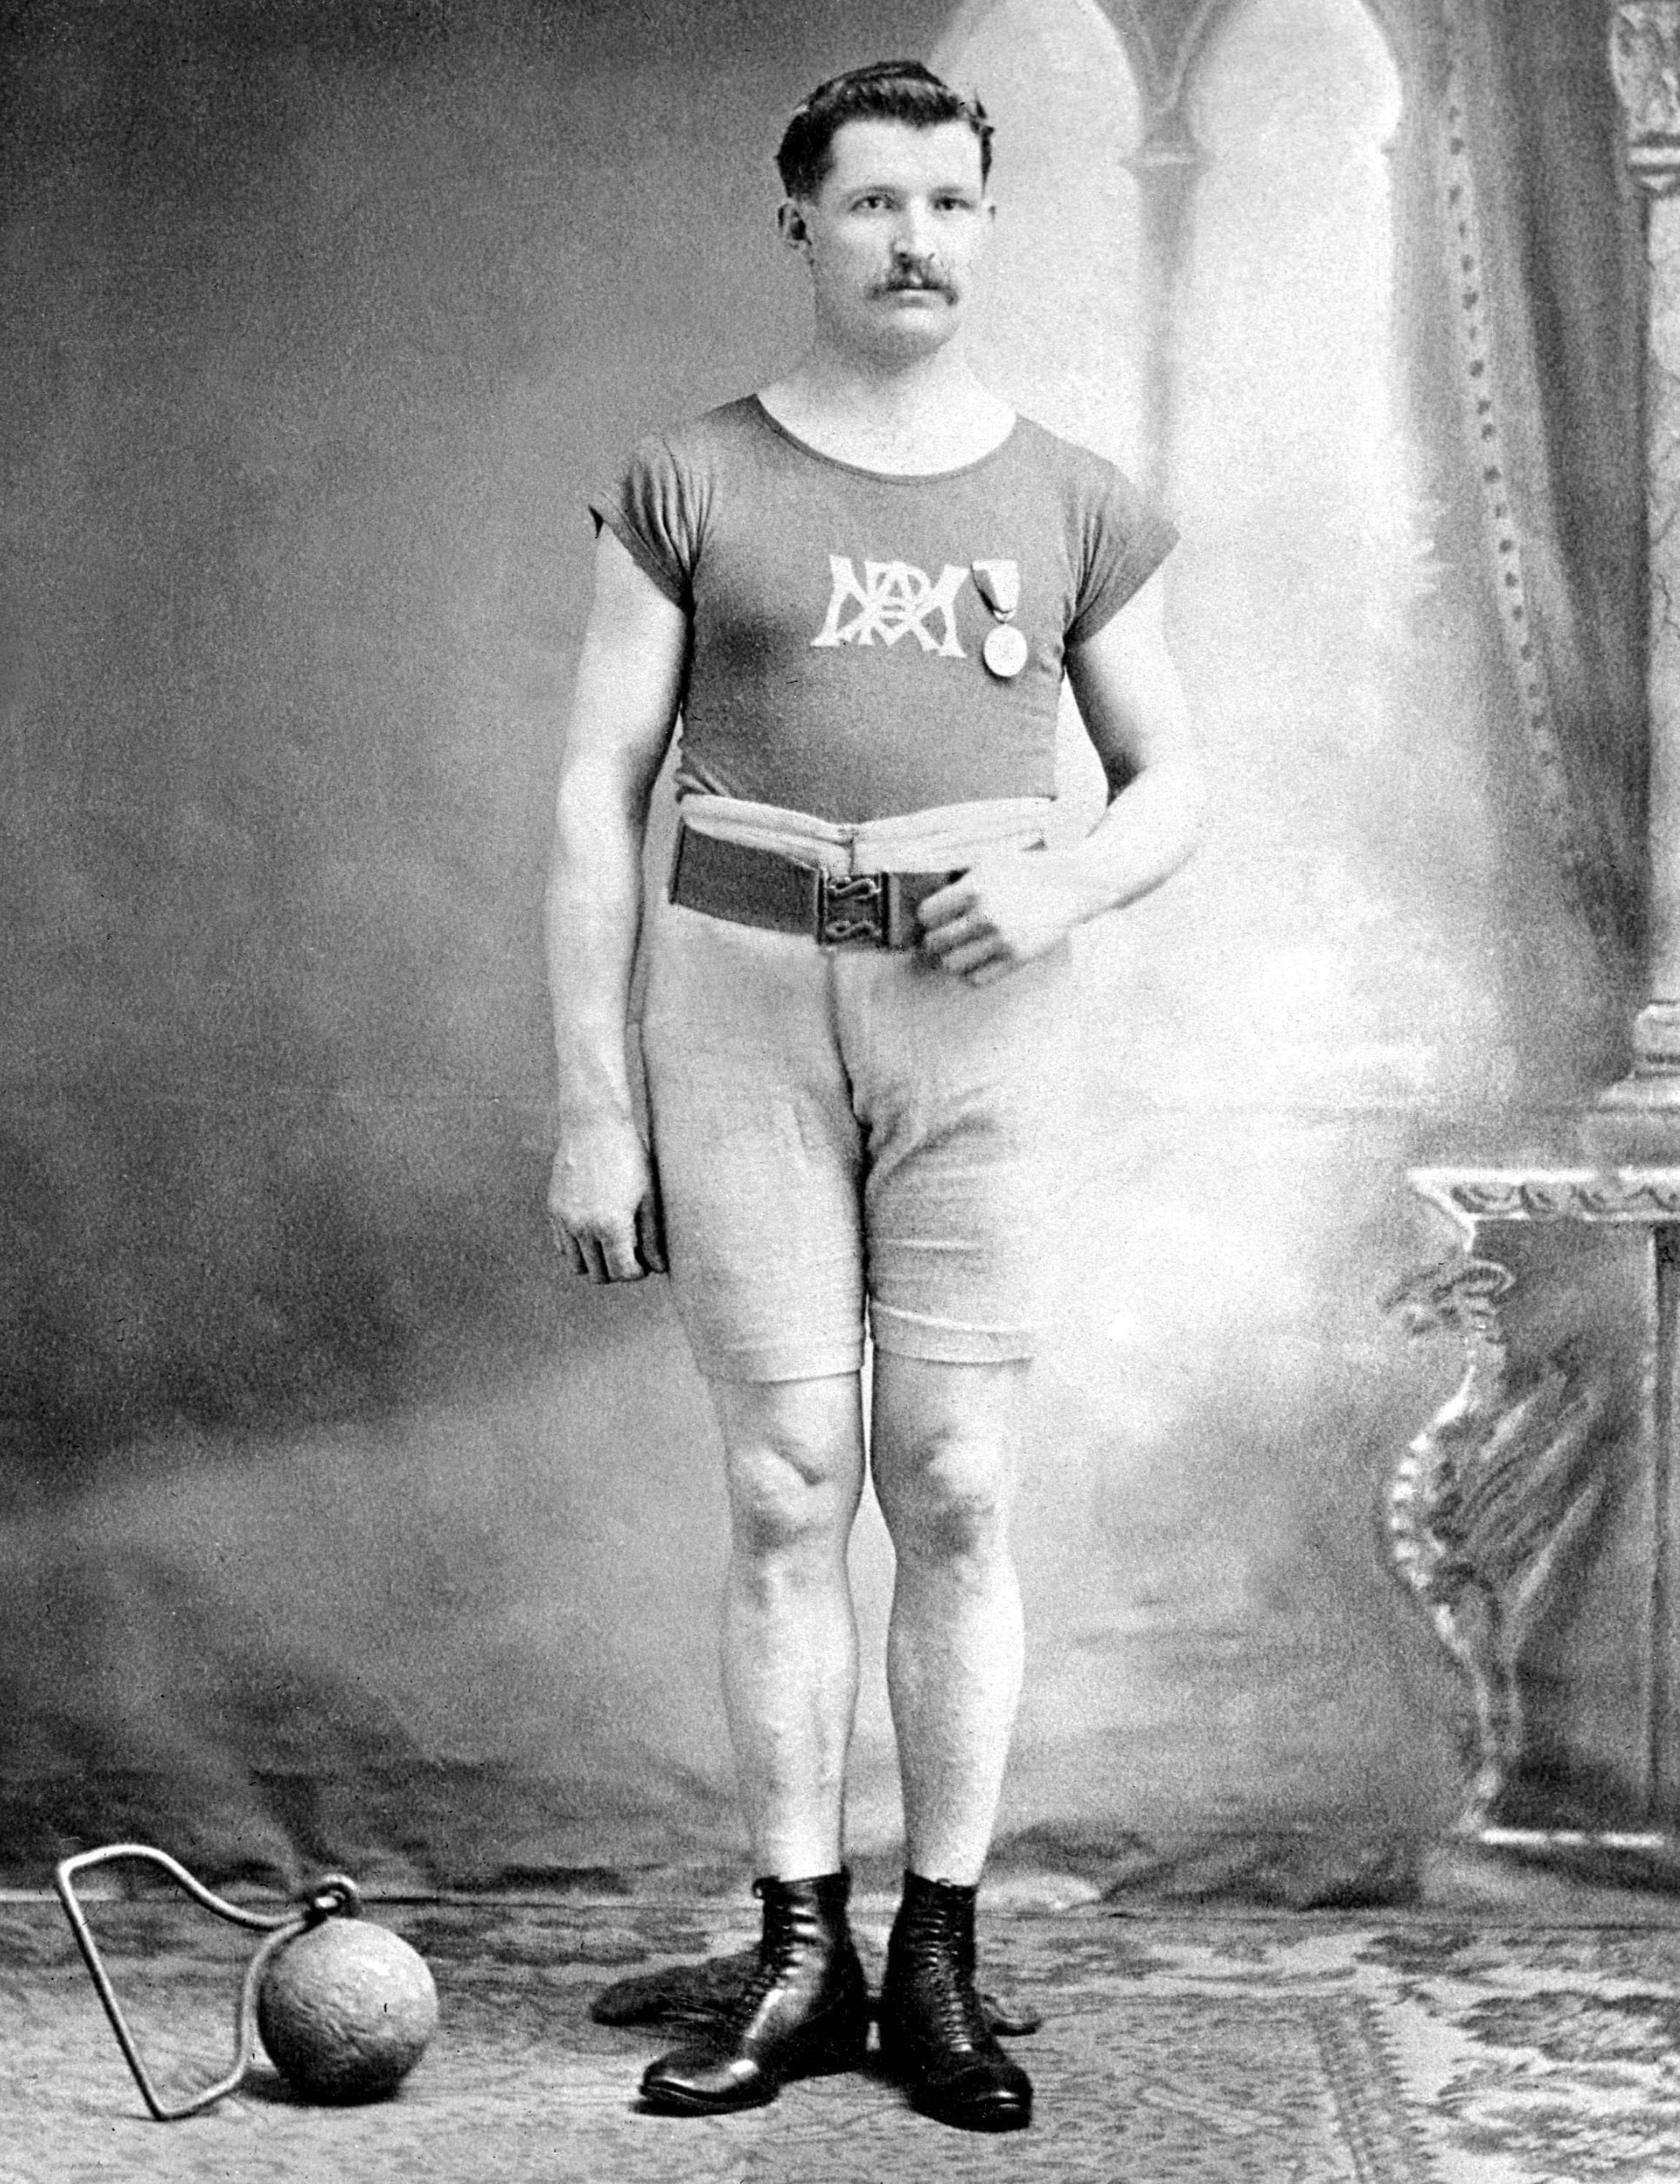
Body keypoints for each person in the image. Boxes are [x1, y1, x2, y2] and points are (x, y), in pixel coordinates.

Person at [544, 60, 1203, 2134]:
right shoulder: (689, 479)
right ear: (801, 230)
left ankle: (937, 1958)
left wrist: (1065, 872)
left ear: (986, 227)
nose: (916, 239)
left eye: (950, 203)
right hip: (731, 1001)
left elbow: (1176, 781)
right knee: (777, 1491)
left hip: (971, 1016)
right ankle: (797, 1947)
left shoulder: (1075, 497)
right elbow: (593, 794)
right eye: (873, 204)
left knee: (956, 1480)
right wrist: (591, 1104)